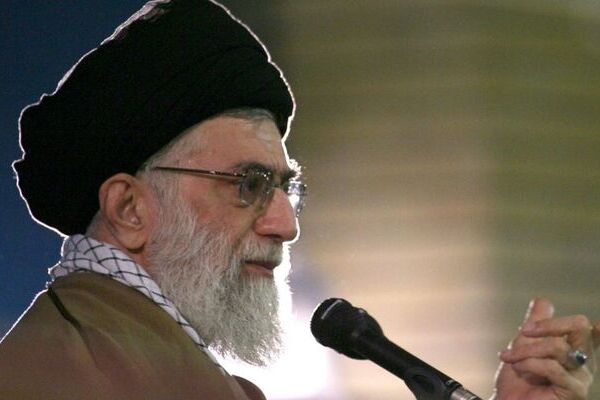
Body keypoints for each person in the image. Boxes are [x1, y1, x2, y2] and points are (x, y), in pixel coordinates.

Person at [1, 1, 598, 399]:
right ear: (130, 209)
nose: (285, 224)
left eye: (286, 187)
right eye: (248, 184)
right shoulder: (73, 378)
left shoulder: (131, 358)